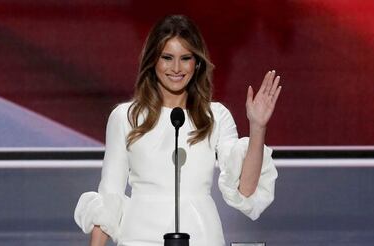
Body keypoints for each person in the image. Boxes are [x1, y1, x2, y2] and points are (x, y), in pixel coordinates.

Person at [74, 14, 281, 246]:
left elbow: (245, 189)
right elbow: (110, 196)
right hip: (139, 238)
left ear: (197, 62)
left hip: (201, 237)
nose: (176, 68)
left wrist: (257, 127)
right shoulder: (126, 117)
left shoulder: (215, 116)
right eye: (167, 57)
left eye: (185, 58)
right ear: (153, 60)